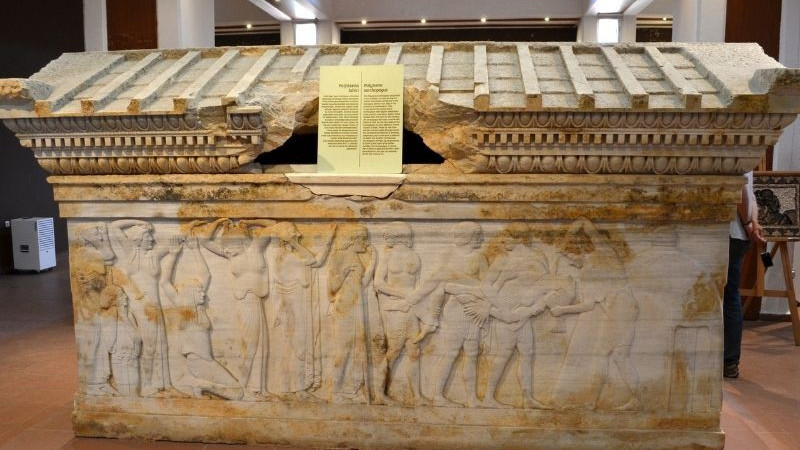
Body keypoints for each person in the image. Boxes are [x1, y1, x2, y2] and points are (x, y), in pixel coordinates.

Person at [724, 172, 765, 379]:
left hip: (730, 231)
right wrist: (753, 222)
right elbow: (750, 193)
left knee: (723, 296)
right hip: (740, 234)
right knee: (731, 295)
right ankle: (730, 362)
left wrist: (749, 222)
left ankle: (726, 359)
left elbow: (739, 189)